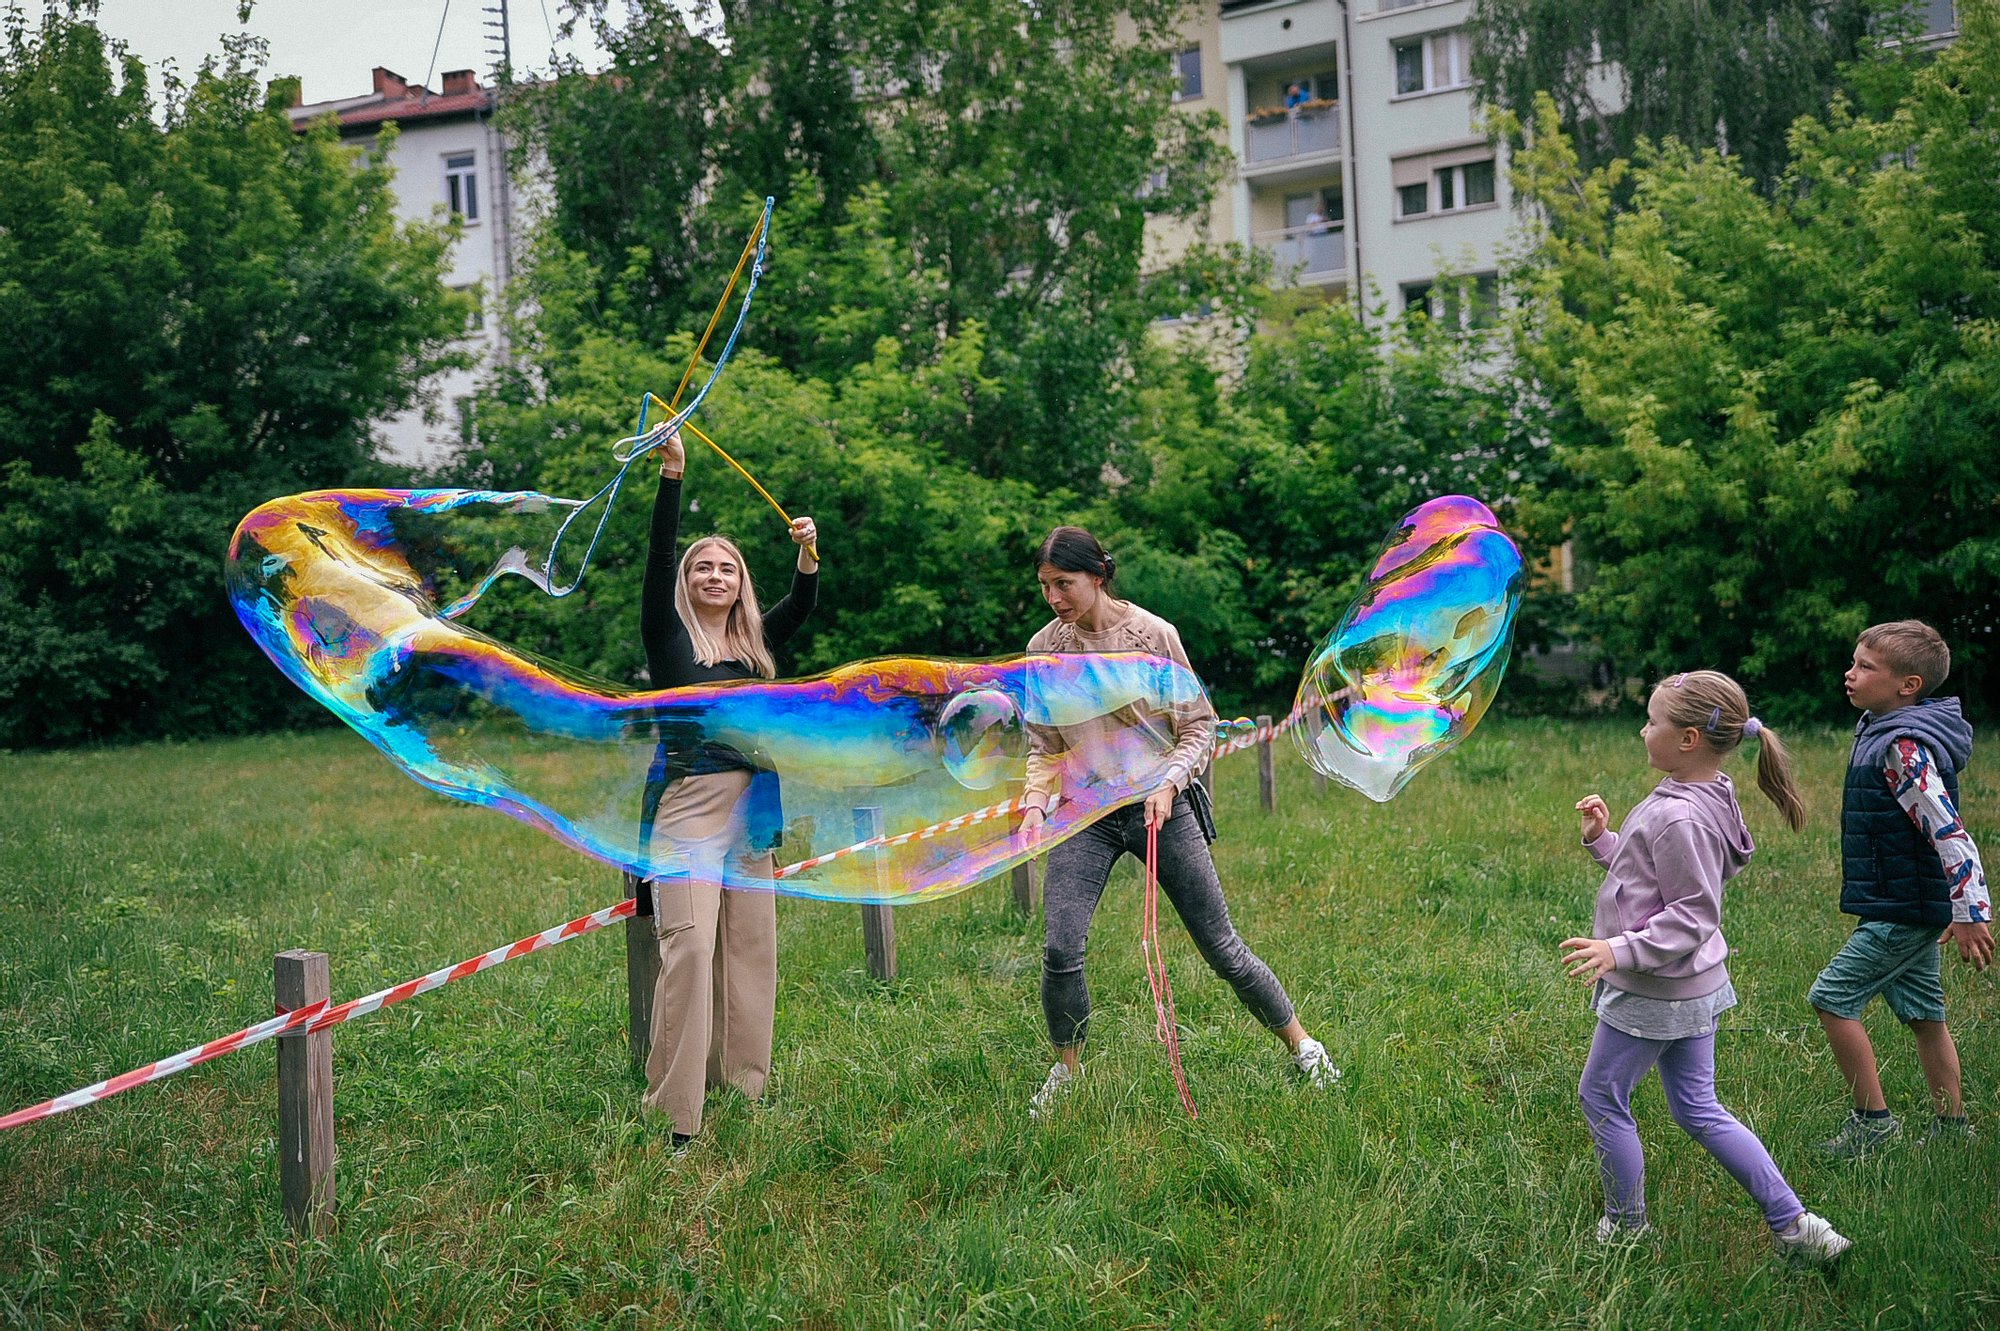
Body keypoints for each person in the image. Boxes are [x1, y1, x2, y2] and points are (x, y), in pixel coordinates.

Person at [1020, 525, 1337, 1119]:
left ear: (1098, 575)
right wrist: (1036, 802)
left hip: (1161, 808)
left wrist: (1168, 784)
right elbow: (1043, 744)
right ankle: (1067, 1074)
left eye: (1064, 583)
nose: (1055, 597)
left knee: (1222, 947)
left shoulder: (1153, 635)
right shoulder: (1044, 648)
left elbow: (1198, 726)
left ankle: (1304, 1046)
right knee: (1061, 949)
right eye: (1045, 587)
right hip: (1084, 815)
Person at [1563, 670, 1850, 1263]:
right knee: (1698, 1108)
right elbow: (1651, 879)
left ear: (1688, 738)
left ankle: (1625, 1226)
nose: (1644, 730)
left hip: (1655, 988)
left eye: (1652, 721)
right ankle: (1798, 1228)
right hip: (1693, 985)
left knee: (1601, 1097)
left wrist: (1618, 950)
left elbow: (1691, 913)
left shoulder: (1681, 815)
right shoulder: (1705, 793)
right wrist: (1604, 841)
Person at [638, 427, 819, 1147]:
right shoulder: (670, 641)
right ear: (687, 583)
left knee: (750, 947)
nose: (715, 575)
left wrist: (807, 557)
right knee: (689, 948)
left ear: (742, 583)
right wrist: (671, 476)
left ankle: (744, 1090)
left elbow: (799, 609)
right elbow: (654, 561)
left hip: (752, 814)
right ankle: (676, 1115)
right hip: (688, 807)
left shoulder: (753, 649)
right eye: (702, 567)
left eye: (728, 568)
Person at [1811, 619, 1990, 1157]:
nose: (1851, 673)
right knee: (1924, 1015)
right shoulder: (1880, 729)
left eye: (1866, 666)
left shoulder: (1904, 747)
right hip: (1903, 901)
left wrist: (1969, 910)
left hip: (1906, 908)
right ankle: (1954, 1129)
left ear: (1907, 685)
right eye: (1854, 661)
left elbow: (1948, 829)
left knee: (1832, 998)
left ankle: (1872, 1125)